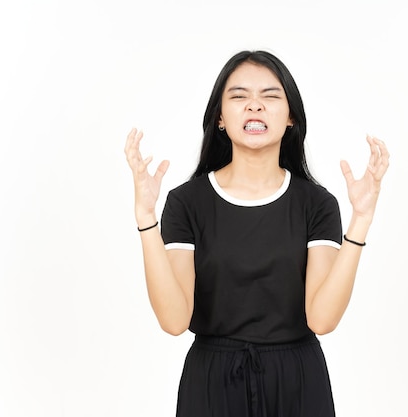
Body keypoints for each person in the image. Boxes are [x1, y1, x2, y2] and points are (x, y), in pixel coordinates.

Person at [124, 50, 389, 417]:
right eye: (239, 96)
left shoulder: (316, 203)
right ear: (219, 116)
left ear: (291, 116)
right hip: (212, 383)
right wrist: (145, 218)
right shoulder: (187, 202)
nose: (254, 106)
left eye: (270, 96)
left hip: (297, 380)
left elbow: (323, 320)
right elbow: (173, 321)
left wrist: (361, 219)